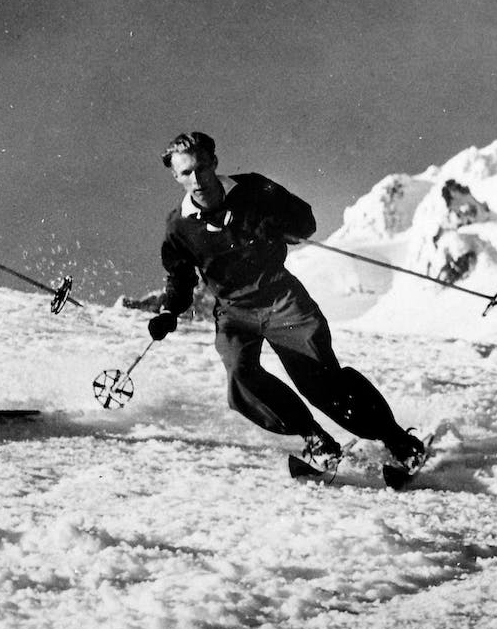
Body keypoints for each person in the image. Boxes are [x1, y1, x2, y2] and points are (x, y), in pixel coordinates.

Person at [148, 131, 425, 473]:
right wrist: (168, 311)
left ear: (214, 163)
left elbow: (305, 220)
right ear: (176, 176)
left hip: (282, 298)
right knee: (241, 378)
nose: (197, 178)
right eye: (187, 172)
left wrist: (275, 224)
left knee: (320, 382)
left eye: (202, 168)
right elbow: (180, 277)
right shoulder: (178, 227)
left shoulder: (252, 188)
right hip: (234, 310)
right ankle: (315, 439)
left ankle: (398, 441)